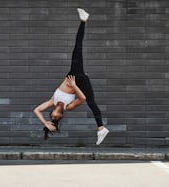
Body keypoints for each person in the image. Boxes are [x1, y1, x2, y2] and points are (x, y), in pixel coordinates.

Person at [34, 8, 109, 145]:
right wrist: (74, 86)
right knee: (91, 102)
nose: (55, 117)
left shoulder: (53, 101)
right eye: (57, 119)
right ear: (61, 115)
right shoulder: (68, 107)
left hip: (74, 75)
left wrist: (46, 123)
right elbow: (82, 98)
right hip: (78, 81)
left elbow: (37, 110)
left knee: (77, 48)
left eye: (53, 118)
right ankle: (84, 20)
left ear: (51, 114)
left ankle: (101, 128)